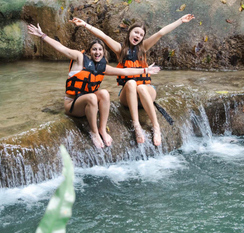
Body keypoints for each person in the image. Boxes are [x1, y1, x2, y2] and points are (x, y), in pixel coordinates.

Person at [27, 23, 161, 149]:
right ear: (89, 51)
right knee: (92, 97)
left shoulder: (102, 67)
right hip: (73, 104)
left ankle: (102, 129)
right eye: (94, 49)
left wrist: (145, 70)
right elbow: (62, 48)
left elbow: (125, 71)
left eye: (100, 50)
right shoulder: (79, 58)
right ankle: (94, 132)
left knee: (104, 93)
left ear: (103, 53)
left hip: (88, 101)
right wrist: (43, 36)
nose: (97, 52)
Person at [70, 14, 195, 146]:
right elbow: (104, 37)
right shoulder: (120, 50)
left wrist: (180, 20)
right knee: (131, 83)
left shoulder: (144, 47)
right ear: (129, 32)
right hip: (128, 95)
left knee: (140, 87)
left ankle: (156, 126)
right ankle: (137, 126)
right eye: (136, 32)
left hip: (146, 91)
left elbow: (161, 32)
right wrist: (85, 24)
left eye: (141, 35)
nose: (138, 36)